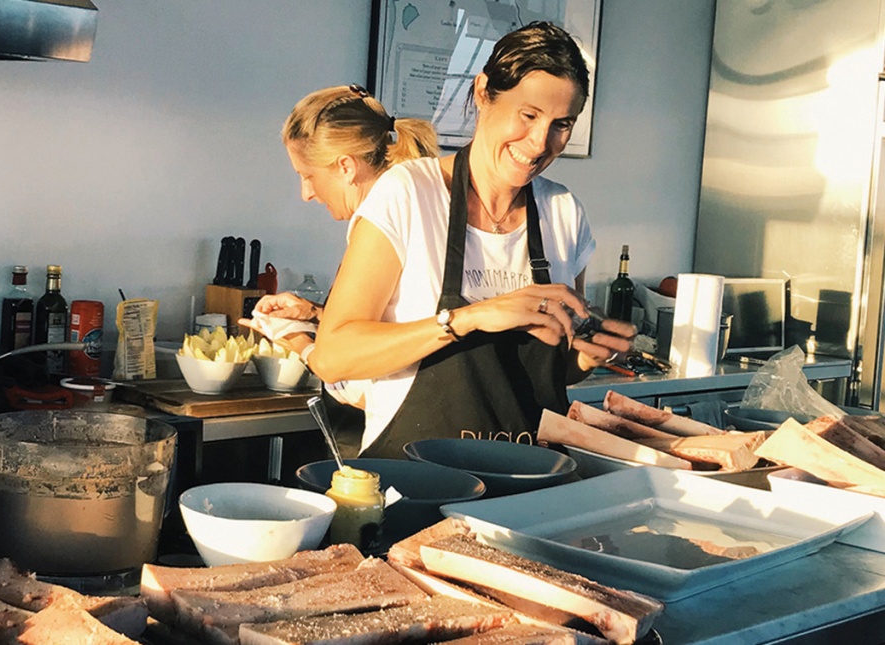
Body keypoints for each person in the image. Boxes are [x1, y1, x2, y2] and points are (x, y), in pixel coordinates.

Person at [307, 21, 637, 457]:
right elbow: (332, 355)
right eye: (529, 115)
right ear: (483, 92)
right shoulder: (409, 193)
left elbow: (555, 373)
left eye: (562, 123)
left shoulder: (563, 213)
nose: (540, 143)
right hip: (417, 485)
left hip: (528, 483)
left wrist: (589, 355)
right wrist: (467, 318)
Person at [240, 84, 439, 451]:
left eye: (308, 175)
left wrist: (295, 340)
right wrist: (316, 314)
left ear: (346, 166)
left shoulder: (381, 219)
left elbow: (363, 382)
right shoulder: (421, 204)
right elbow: (394, 324)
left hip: (400, 445)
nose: (306, 193)